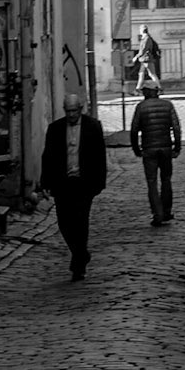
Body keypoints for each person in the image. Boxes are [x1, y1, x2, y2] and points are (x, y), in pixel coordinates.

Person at [39, 91, 107, 280]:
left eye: (74, 111)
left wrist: (99, 182)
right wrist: (46, 182)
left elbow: (99, 156)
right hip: (63, 183)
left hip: (84, 184)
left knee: (80, 221)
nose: (71, 115)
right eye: (68, 111)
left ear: (80, 109)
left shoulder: (92, 127)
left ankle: (78, 264)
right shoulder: (55, 128)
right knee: (64, 223)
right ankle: (81, 253)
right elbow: (48, 157)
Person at [129, 77, 181, 226]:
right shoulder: (167, 105)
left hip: (149, 148)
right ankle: (166, 211)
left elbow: (134, 130)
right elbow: (176, 128)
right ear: (156, 92)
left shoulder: (141, 107)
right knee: (166, 180)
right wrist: (177, 147)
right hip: (165, 147)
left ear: (146, 92)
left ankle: (157, 213)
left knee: (152, 182)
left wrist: (136, 148)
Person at [135, 23, 161, 91]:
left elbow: (144, 49)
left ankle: (159, 88)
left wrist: (136, 56)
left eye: (140, 29)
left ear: (142, 30)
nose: (139, 31)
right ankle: (137, 89)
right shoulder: (145, 38)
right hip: (144, 59)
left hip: (147, 59)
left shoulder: (147, 38)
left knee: (151, 74)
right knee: (141, 74)